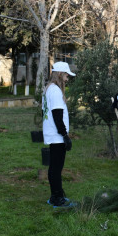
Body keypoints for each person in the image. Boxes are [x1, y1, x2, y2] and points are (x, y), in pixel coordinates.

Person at [42, 62, 75, 208]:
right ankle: (56, 199)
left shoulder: (49, 89)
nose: (67, 78)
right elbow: (57, 115)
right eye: (66, 75)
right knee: (56, 168)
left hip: (53, 134)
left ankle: (57, 194)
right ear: (60, 74)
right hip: (57, 136)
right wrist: (65, 136)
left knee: (54, 167)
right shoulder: (55, 91)